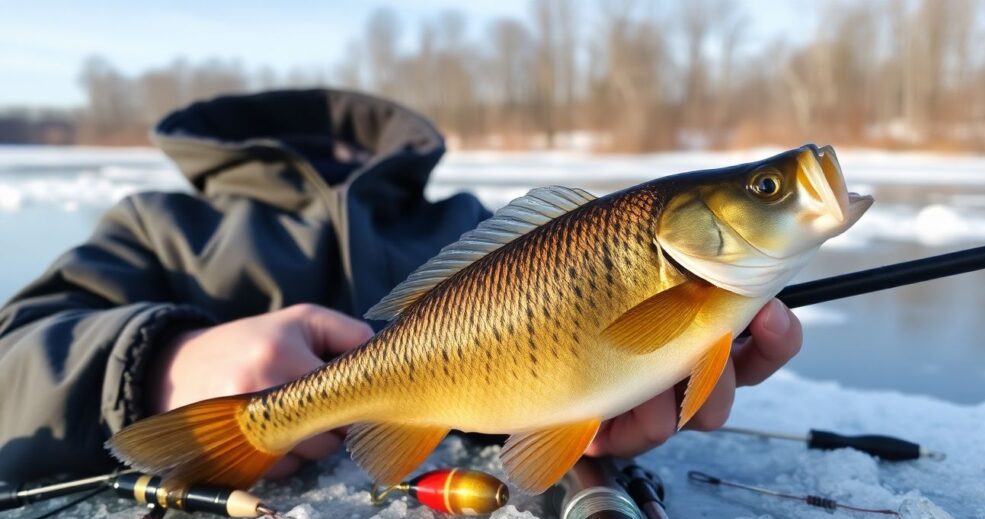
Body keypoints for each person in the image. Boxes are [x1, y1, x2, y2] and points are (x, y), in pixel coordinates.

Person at [0, 89, 802, 483]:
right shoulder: (158, 227)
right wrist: (161, 359)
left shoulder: (468, 226)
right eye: (764, 188)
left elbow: (558, 387)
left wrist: (632, 387)